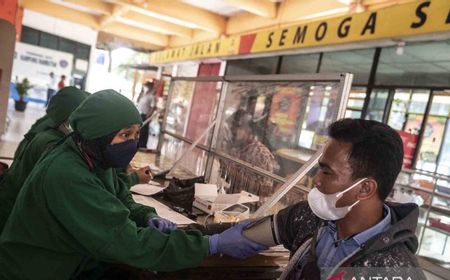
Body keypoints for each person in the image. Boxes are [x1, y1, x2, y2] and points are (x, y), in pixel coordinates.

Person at [0, 89, 266, 279]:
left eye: (136, 134)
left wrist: (146, 215)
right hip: (38, 269)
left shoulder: (93, 158)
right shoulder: (67, 174)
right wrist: (211, 245)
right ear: (97, 136)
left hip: (70, 261)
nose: (132, 143)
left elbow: (120, 199)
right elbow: (128, 243)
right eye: (124, 135)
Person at [249, 119, 426, 280]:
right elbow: (244, 237)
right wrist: (220, 242)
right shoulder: (310, 217)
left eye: (327, 172)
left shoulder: (395, 269)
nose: (317, 180)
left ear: (365, 188)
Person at [0, 86, 87, 232]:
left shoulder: (48, 124)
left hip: (11, 201)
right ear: (71, 117)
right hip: (15, 218)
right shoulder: (51, 143)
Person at [221, 109, 276, 200]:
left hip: (252, 208)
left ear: (249, 130)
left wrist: (234, 174)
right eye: (232, 127)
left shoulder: (260, 153)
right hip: (232, 201)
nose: (233, 131)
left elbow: (267, 191)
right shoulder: (236, 148)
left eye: (238, 127)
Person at [137, 81, 157, 148]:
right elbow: (138, 101)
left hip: (145, 115)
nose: (145, 88)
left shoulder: (151, 96)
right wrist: (141, 93)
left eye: (146, 86)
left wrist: (148, 116)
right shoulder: (143, 95)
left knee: (144, 131)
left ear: (150, 87)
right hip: (139, 114)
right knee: (139, 130)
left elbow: (153, 107)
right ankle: (138, 143)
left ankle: (142, 145)